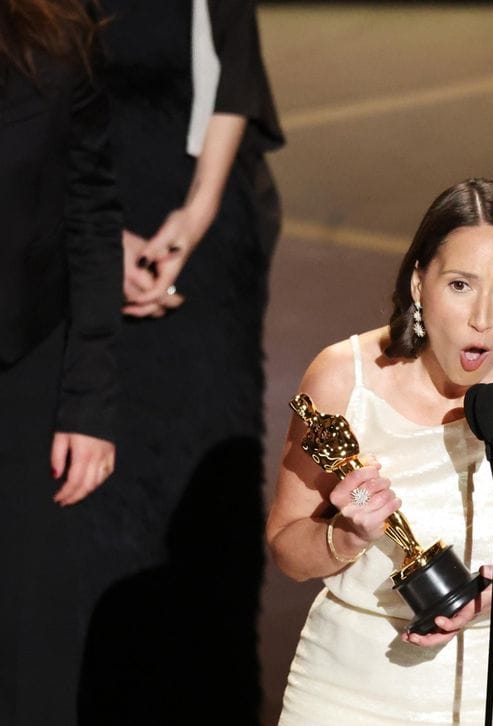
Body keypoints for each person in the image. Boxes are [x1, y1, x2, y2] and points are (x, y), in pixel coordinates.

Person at [267, 178, 493, 725]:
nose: (482, 317)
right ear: (419, 282)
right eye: (460, 285)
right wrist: (344, 536)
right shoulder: (343, 377)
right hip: (344, 690)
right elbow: (288, 550)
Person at [74, 2, 284, 724]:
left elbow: (234, 76)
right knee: (94, 482)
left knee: (205, 465)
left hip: (201, 229)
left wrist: (192, 220)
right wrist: (96, 241)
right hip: (72, 209)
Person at [0, 3, 122, 724]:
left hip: (26, 365)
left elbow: (90, 209)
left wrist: (88, 397)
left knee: (28, 635)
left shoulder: (58, 30)